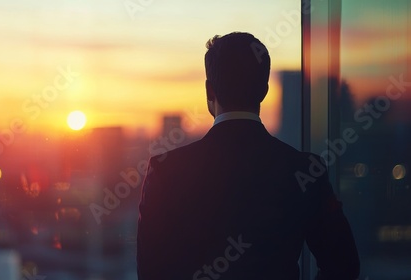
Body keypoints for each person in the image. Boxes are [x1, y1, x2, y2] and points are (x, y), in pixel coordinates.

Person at [136, 32, 360, 279]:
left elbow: (150, 273)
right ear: (264, 91)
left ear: (209, 90)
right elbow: (344, 266)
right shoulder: (305, 170)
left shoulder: (166, 171)